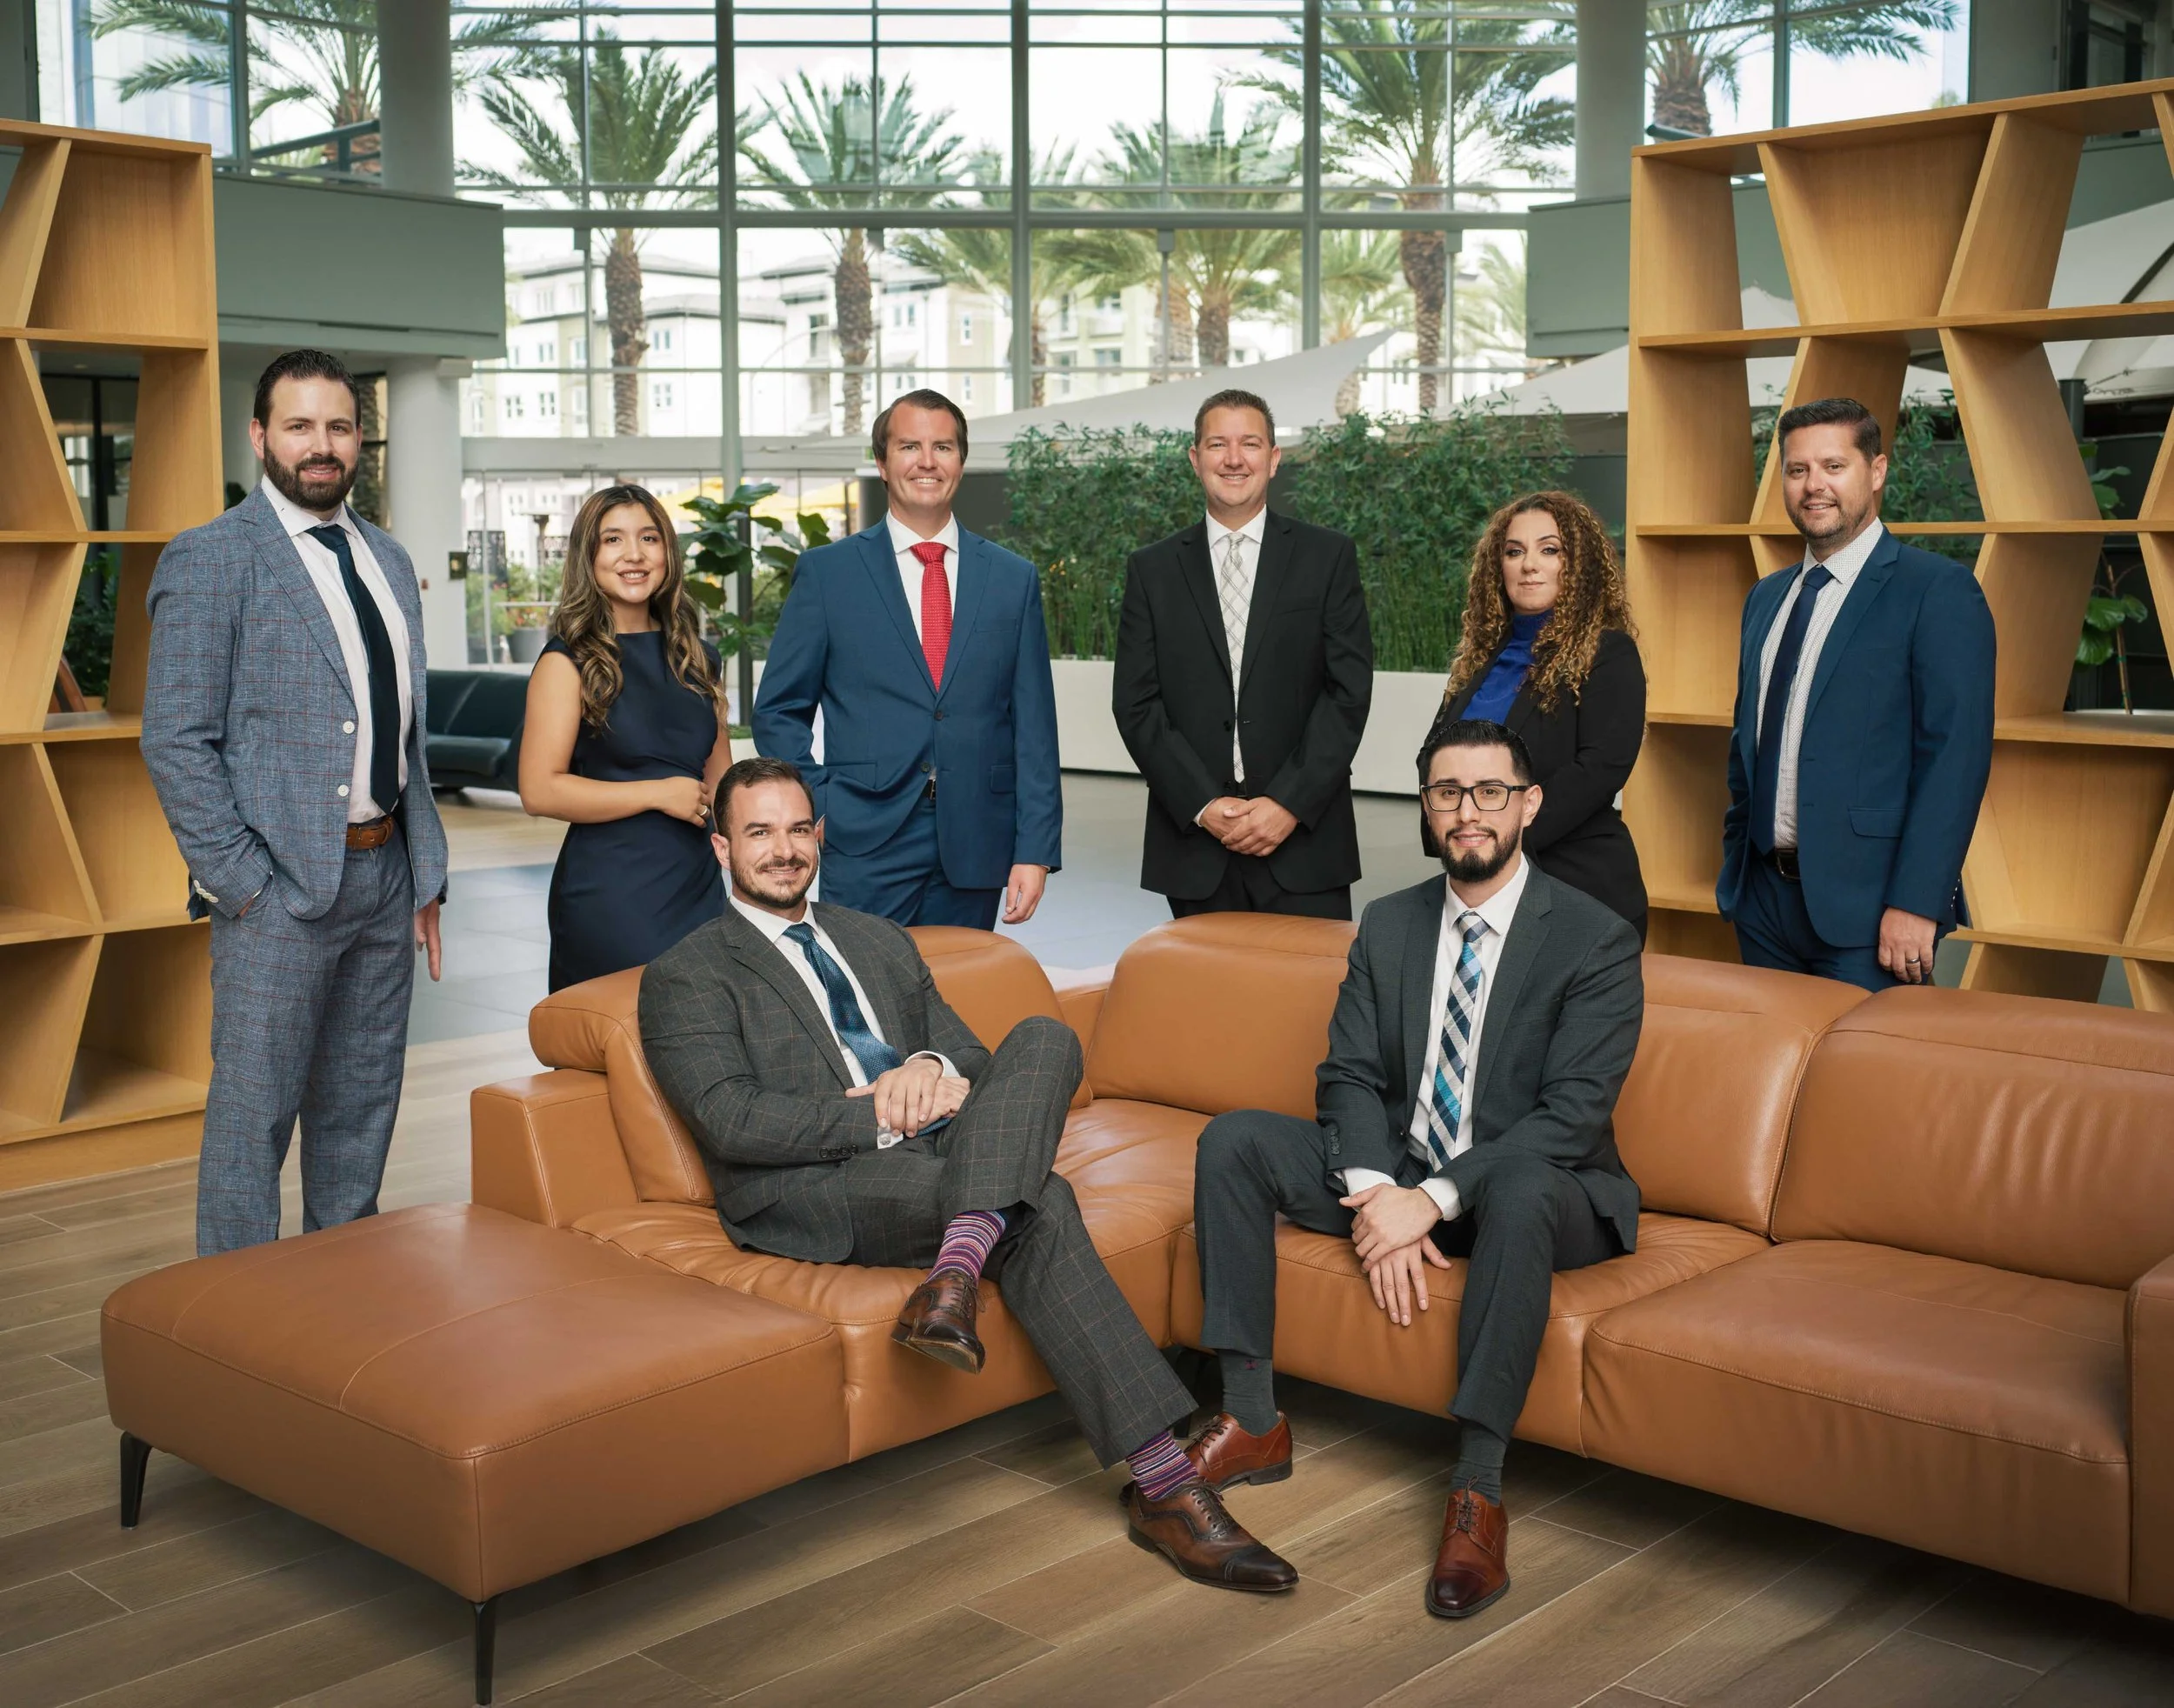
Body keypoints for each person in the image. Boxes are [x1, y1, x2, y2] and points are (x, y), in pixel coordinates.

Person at [640, 756, 1297, 1593]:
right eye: (758, 832)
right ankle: (1169, 1486)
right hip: (814, 1187)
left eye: (798, 829)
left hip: (943, 1154)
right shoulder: (689, 973)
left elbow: (980, 1064)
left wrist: (922, 1061)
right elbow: (732, 1121)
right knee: (1044, 1201)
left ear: (820, 837)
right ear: (721, 847)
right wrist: (883, 1106)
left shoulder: (877, 940)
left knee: (1046, 1039)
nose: (783, 850)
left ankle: (954, 1269)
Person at [1185, 717, 1643, 1621]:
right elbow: (1347, 1074)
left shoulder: (1592, 937)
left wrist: (1425, 1202)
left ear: (1528, 803)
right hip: (1401, 1168)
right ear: (1425, 807)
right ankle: (1250, 1417)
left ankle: (1477, 1489)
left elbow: (1569, 1116)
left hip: (1542, 1188)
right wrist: (1373, 1195)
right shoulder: (1390, 923)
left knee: (1514, 1185)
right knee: (1232, 1138)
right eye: (1446, 792)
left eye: (1487, 792)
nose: (1466, 812)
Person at [142, 349, 448, 1257]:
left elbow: (405, 734)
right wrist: (245, 886)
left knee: (359, 1115)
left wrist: (423, 872)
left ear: (361, 439)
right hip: (277, 893)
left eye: (340, 426)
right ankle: (235, 1339)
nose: (322, 445)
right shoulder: (211, 559)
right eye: (300, 425)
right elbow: (176, 740)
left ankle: (337, 1314)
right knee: (252, 1124)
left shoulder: (388, 560)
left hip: (384, 880)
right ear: (260, 435)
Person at [753, 390, 1060, 931]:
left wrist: (1034, 849)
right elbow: (779, 708)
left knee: (959, 997)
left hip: (976, 840)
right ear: (881, 462)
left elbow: (1034, 727)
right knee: (864, 1000)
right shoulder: (829, 575)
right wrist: (818, 802)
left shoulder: (1012, 579)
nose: (926, 461)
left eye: (942, 446)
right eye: (909, 446)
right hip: (864, 836)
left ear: (960, 462)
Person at [1718, 397, 1996, 991]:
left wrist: (1918, 902)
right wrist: (1736, 874)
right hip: (1762, 905)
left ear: (1876, 472)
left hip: (1872, 916)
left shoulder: (1938, 592)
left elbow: (1955, 762)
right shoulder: (1765, 599)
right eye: (1798, 471)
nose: (1814, 485)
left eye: (1833, 466)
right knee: (1769, 1083)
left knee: (1863, 1084)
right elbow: (1750, 741)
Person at [1112, 389, 1373, 918]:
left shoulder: (1327, 557)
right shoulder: (1152, 570)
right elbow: (1136, 703)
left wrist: (1288, 804)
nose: (1234, 459)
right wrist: (1203, 806)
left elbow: (1348, 693)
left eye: (1250, 444)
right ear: (1195, 459)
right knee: (1207, 1001)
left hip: (1305, 842)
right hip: (1195, 845)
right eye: (1217, 445)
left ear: (1274, 459)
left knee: (1308, 1001)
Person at [519, 484, 730, 991]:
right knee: (630, 1038)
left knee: (705, 1034)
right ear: (589, 557)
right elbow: (539, 789)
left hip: (698, 884)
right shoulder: (566, 661)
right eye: (613, 540)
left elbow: (721, 782)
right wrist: (658, 793)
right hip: (612, 893)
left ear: (667, 554)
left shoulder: (697, 657)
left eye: (649, 539)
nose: (634, 555)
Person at [1439, 491, 1647, 937]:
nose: (1529, 564)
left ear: (1577, 565)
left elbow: (1600, 768)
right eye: (1515, 552)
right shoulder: (1479, 660)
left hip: (1577, 884)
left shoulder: (1608, 652)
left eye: (1549, 550)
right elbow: (1434, 755)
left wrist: (1501, 837)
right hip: (1476, 884)